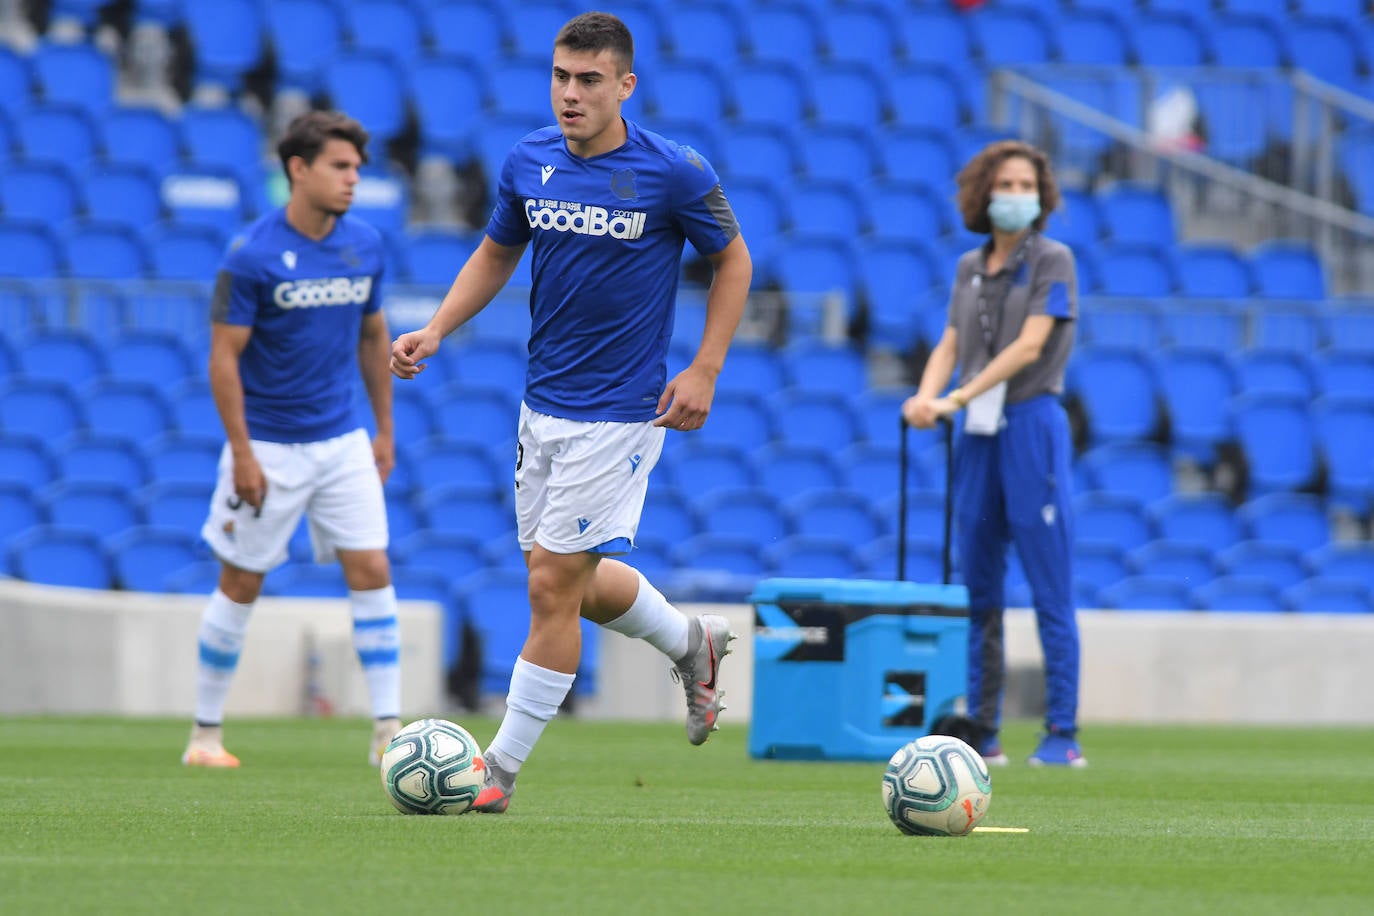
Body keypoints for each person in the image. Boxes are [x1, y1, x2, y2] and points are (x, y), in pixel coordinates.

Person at [390, 11, 752, 812]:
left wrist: (705, 368)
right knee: (568, 584)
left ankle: (499, 772)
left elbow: (733, 261)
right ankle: (689, 641)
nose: (570, 93)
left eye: (589, 80)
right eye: (560, 76)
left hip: (620, 412)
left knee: (552, 586)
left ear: (626, 86)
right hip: (543, 404)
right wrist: (437, 328)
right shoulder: (529, 160)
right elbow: (496, 251)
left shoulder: (675, 171)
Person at [182, 110, 402, 769]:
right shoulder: (250, 255)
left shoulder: (365, 245)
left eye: (357, 168)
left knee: (372, 568)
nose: (353, 179)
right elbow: (223, 358)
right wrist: (243, 453)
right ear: (298, 170)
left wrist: (384, 430)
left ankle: (388, 731)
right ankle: (204, 736)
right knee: (241, 580)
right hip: (270, 446)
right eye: (340, 166)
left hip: (341, 440)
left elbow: (374, 337)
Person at [902, 140, 1085, 768]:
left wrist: (955, 398)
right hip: (979, 434)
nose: (1015, 196)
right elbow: (951, 341)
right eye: (1005, 185)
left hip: (1031, 423)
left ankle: (1062, 731)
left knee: (1049, 586)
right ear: (985, 193)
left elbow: (1030, 346)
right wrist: (925, 395)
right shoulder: (969, 266)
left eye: (1025, 186)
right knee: (979, 586)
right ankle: (984, 728)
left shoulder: (1053, 260)